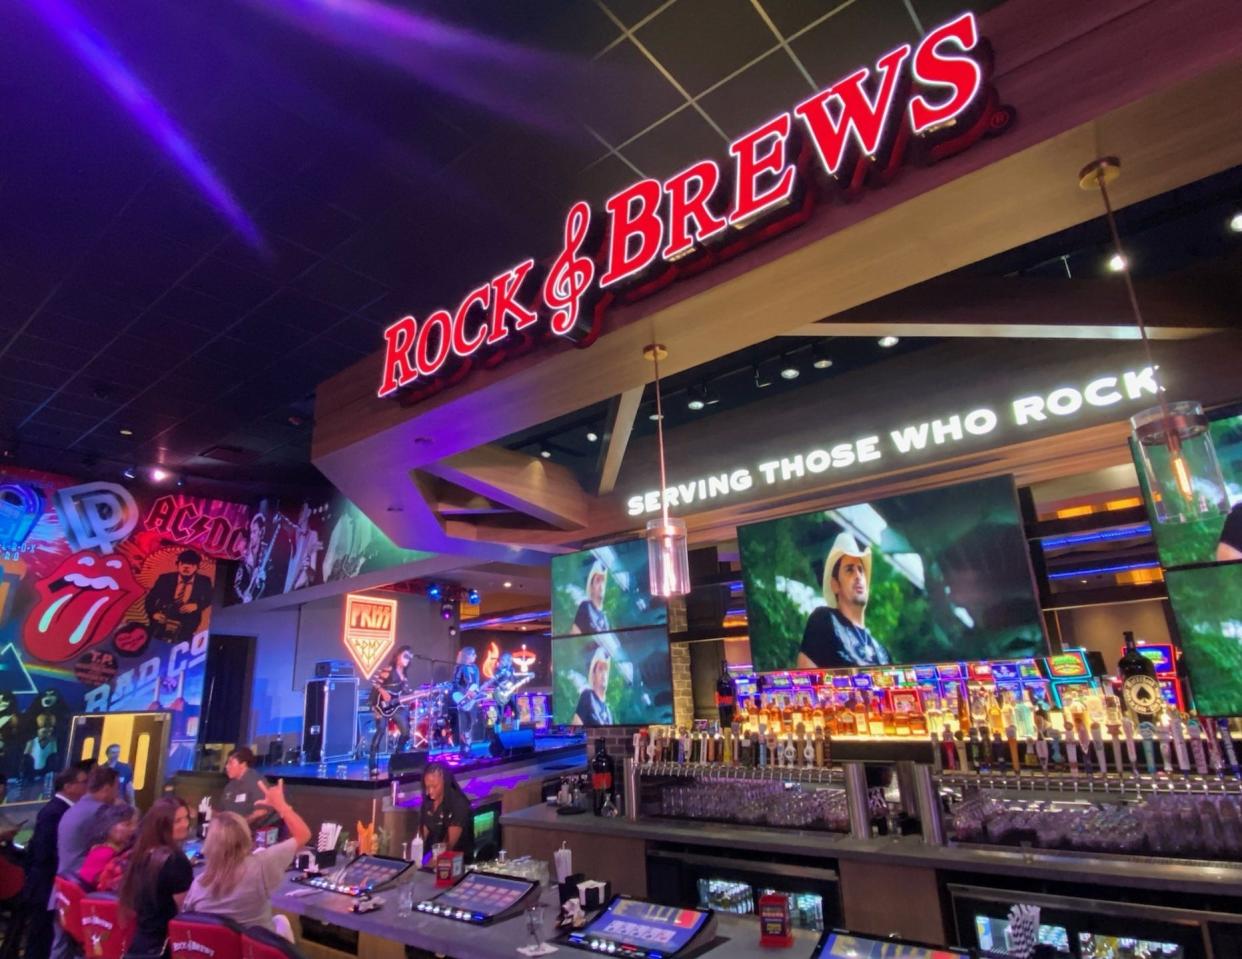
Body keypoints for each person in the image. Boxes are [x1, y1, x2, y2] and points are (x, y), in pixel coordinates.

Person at [183, 779, 309, 940]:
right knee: (282, 921)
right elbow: (303, 835)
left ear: (210, 843)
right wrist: (281, 806)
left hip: (215, 952)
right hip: (255, 952)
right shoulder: (262, 865)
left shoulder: (198, 885)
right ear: (245, 836)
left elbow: (187, 923)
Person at [797, 533, 892, 669]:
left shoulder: (882, 652)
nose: (858, 576)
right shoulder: (824, 620)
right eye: (849, 570)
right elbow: (806, 682)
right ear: (835, 584)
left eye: (860, 570)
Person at [23, 766, 88, 959]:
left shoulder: (65, 810)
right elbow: (43, 851)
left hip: (49, 884)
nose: (87, 786)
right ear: (68, 786)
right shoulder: (55, 812)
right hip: (45, 885)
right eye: (83, 782)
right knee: (41, 937)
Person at [119, 796, 193, 959]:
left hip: (139, 944)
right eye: (177, 821)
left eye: (186, 818)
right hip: (162, 948)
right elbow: (184, 912)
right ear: (162, 826)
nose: (185, 824)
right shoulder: (176, 861)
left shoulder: (141, 853)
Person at [145, 550, 213, 643]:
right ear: (178, 564)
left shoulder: (204, 581)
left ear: (197, 567)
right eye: (183, 564)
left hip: (188, 623)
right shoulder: (164, 578)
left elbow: (209, 599)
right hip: (163, 620)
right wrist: (154, 614)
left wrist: (196, 606)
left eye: (192, 565)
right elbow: (150, 598)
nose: (187, 567)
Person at [368, 646, 414, 774]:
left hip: (395, 706)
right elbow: (375, 683)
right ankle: (372, 764)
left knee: (406, 732)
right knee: (380, 730)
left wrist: (416, 694)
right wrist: (381, 694)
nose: (407, 659)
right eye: (405, 656)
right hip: (380, 705)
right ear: (397, 656)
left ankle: (396, 761)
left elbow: (405, 693)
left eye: (409, 657)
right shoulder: (389, 669)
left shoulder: (404, 675)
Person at [416, 763, 473, 863]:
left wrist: (428, 864)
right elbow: (420, 837)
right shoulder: (428, 803)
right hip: (433, 857)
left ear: (445, 781)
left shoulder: (458, 804)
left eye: (434, 786)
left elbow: (449, 844)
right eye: (427, 787)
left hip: (456, 862)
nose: (430, 791)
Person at [79, 803, 138, 891]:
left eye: (135, 824)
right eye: (127, 824)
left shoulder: (123, 851)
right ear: (109, 826)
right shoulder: (103, 853)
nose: (134, 828)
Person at [218, 747, 274, 827]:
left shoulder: (256, 781)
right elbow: (222, 813)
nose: (226, 766)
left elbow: (261, 812)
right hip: (229, 831)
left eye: (230, 763)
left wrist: (239, 825)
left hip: (251, 832)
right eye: (227, 763)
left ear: (243, 764)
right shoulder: (230, 786)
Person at [572, 647, 614, 726]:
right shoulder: (587, 696)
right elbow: (575, 728)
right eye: (600, 669)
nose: (604, 674)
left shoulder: (609, 714)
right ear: (593, 675)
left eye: (606, 669)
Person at [451, 647, 481, 755]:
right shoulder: (460, 667)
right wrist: (466, 692)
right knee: (463, 722)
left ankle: (469, 746)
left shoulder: (476, 668)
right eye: (473, 654)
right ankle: (463, 748)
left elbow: (476, 684)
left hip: (472, 699)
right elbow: (455, 683)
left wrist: (477, 693)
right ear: (467, 655)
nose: (475, 656)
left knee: (472, 722)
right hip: (462, 697)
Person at [570, 561, 610, 635]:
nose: (601, 585)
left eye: (603, 581)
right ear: (591, 587)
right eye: (597, 580)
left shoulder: (605, 619)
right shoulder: (585, 606)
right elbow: (574, 635)